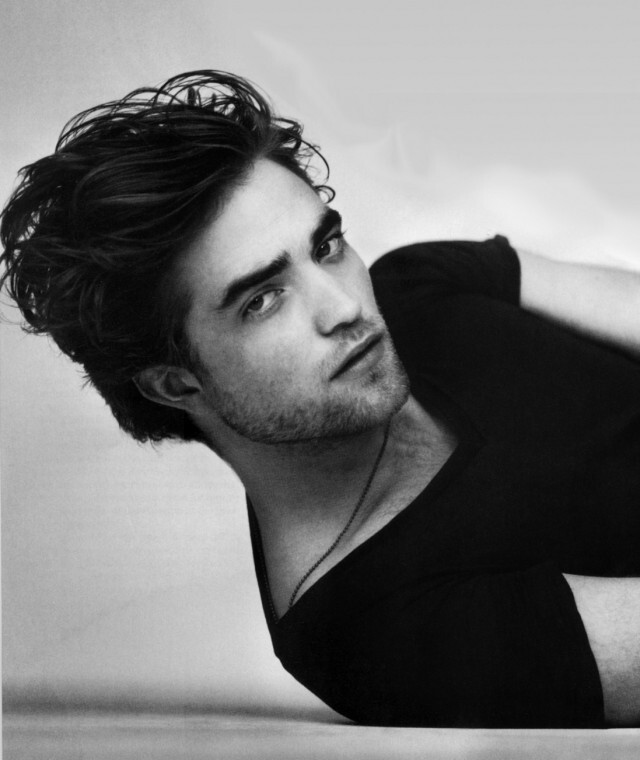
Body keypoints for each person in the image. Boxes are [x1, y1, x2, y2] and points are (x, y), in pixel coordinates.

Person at [2, 70, 640, 729]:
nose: (345, 307)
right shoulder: (377, 636)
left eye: (327, 247)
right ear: (176, 383)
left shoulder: (423, 283)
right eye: (262, 299)